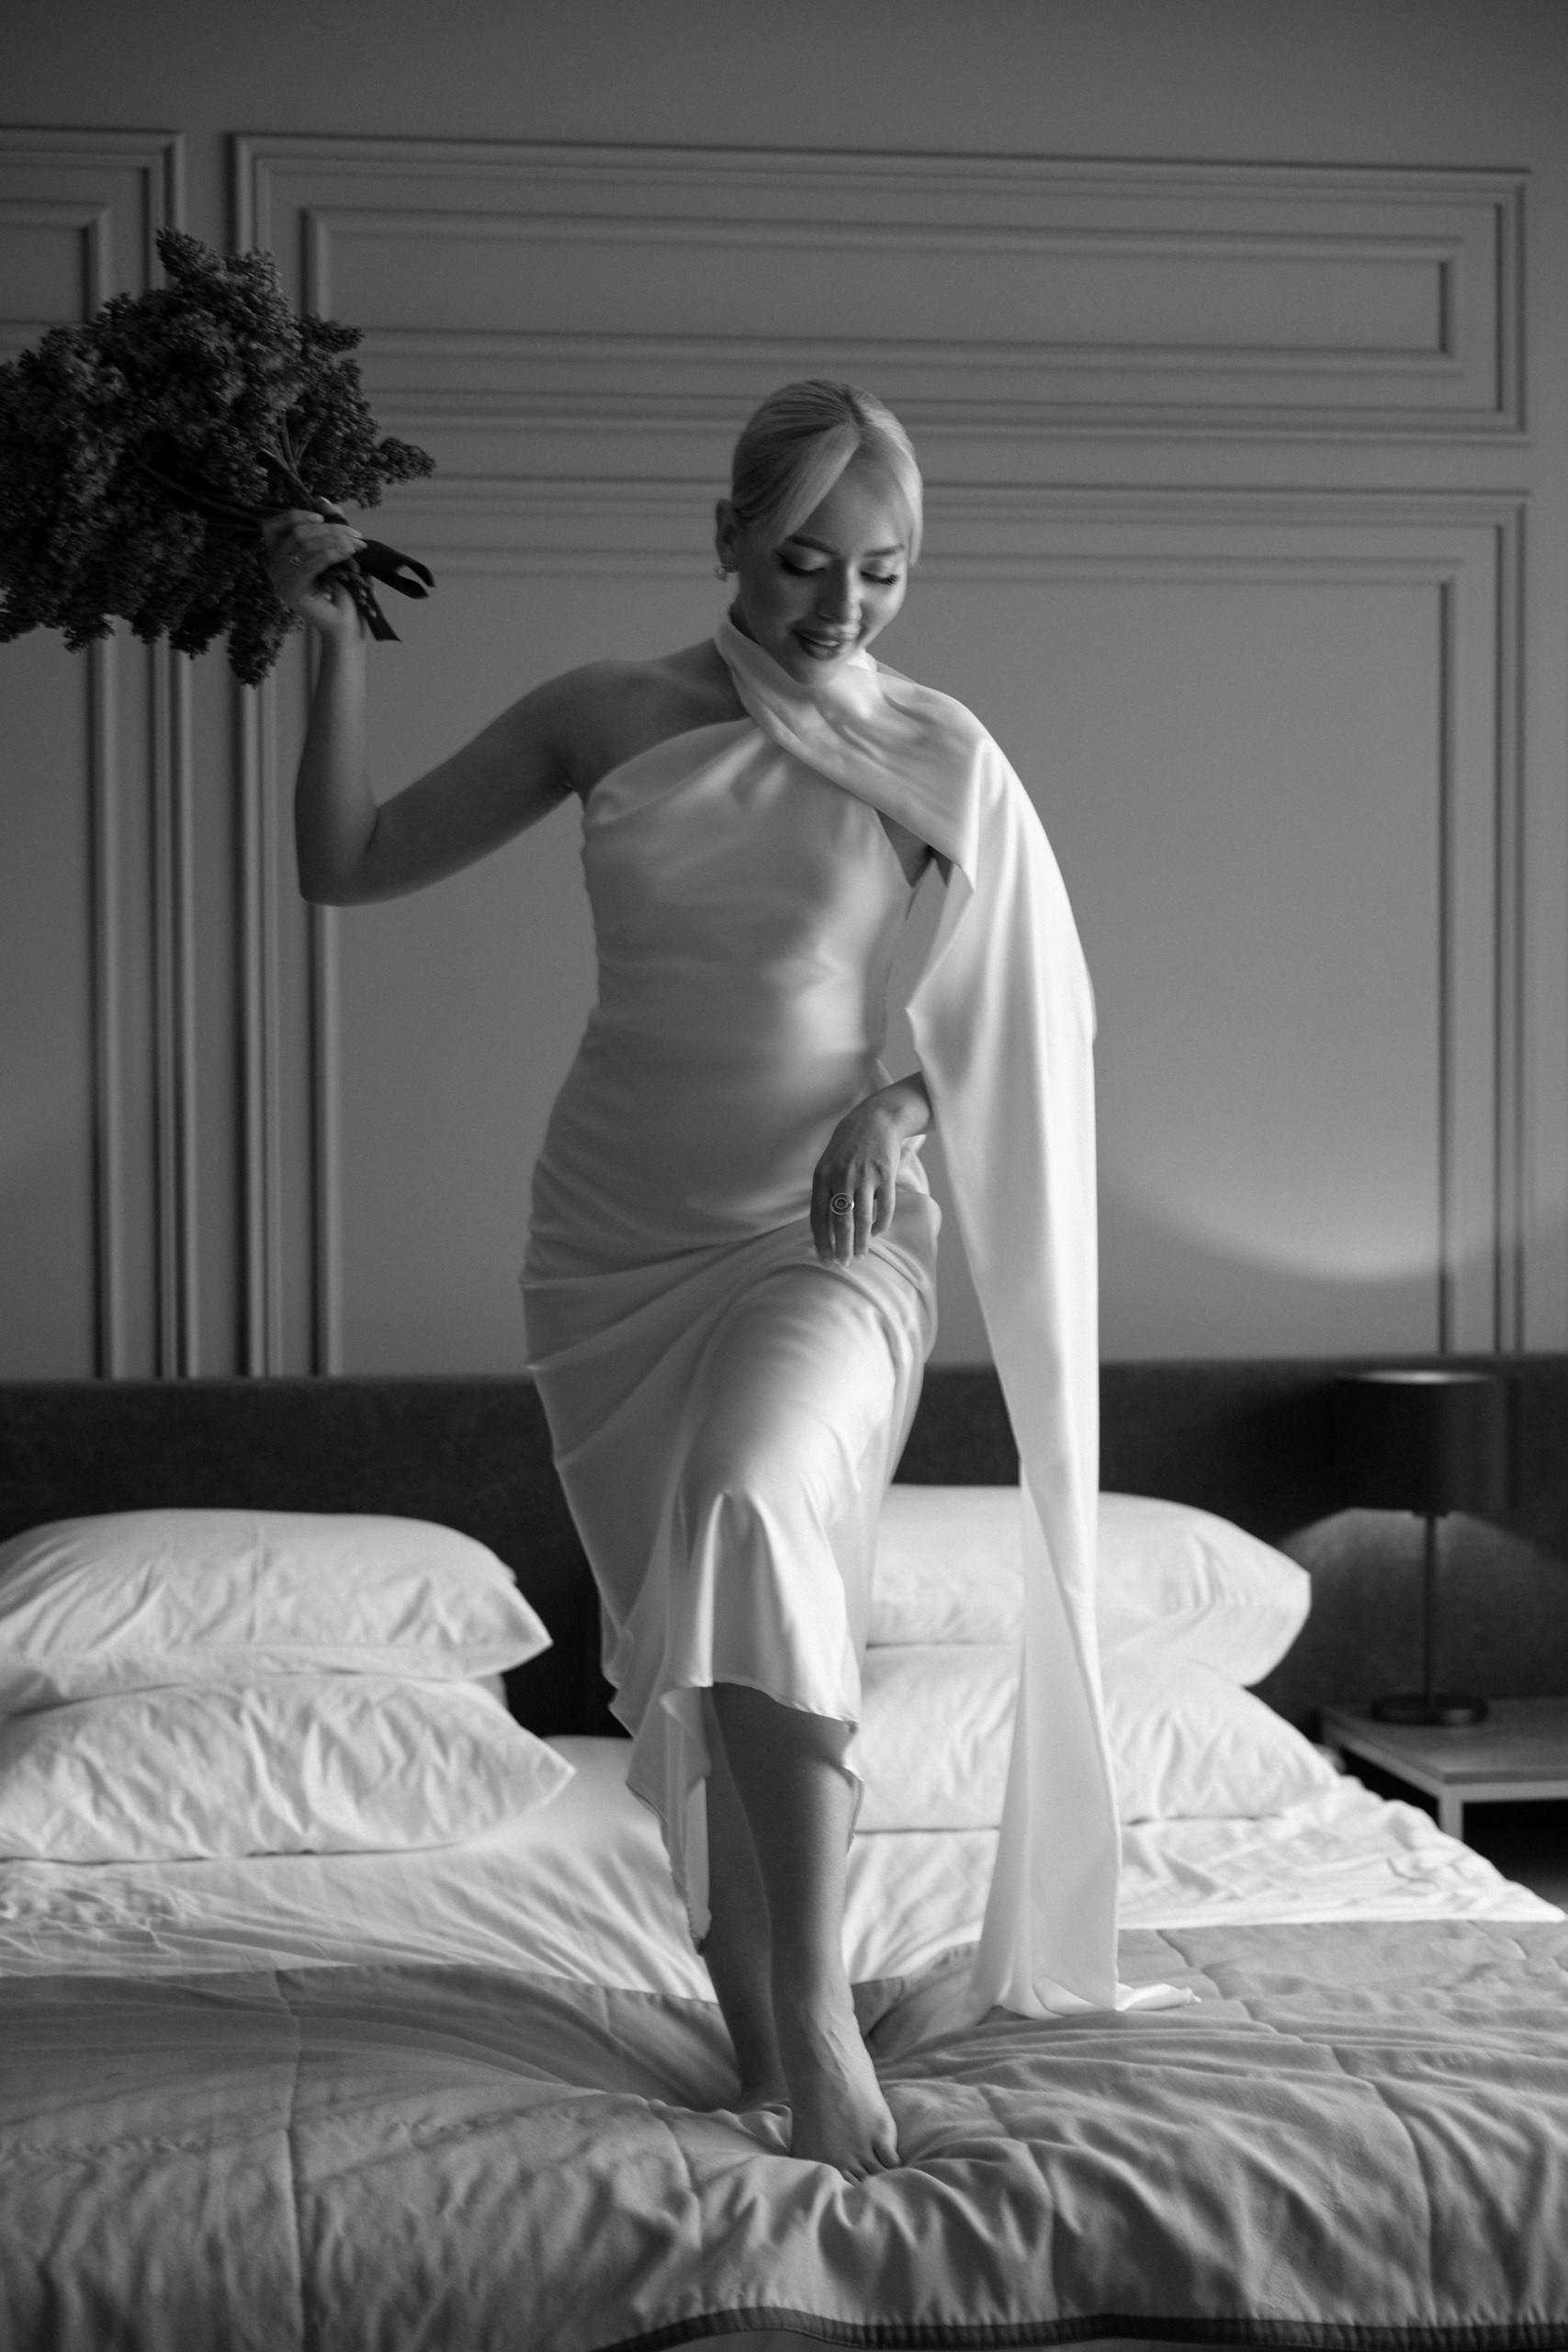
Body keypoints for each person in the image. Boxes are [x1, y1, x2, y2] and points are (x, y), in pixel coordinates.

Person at [271, 379, 1138, 2184]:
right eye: (805, 560)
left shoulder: (935, 752)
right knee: (690, 1631)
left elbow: (1033, 1012)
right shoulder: (604, 713)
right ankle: (754, 2014)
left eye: (881, 572)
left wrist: (901, 1103)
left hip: (824, 1233)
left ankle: (818, 2017)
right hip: (611, 1244)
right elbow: (344, 864)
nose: (841, 606)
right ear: (726, 535)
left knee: (754, 1506)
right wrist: (327, 640)